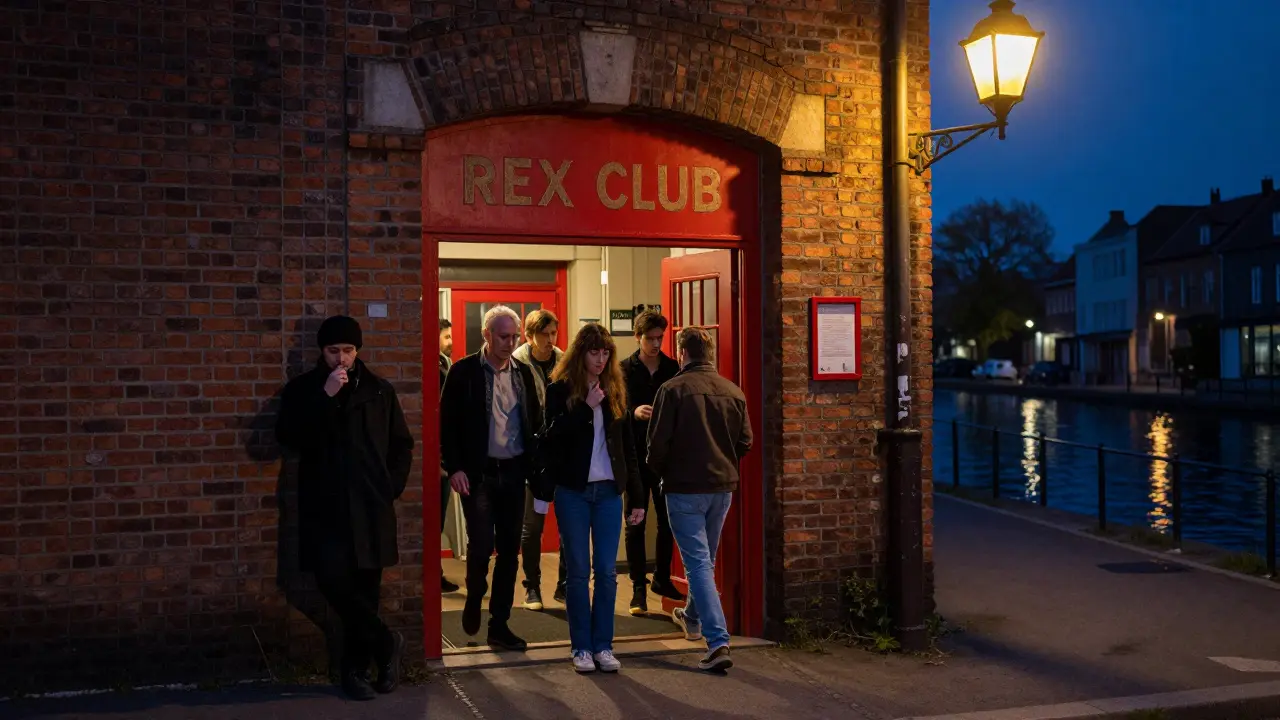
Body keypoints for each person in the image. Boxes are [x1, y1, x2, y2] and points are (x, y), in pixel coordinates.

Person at [275, 315, 414, 700]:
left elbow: (402, 445)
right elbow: (289, 437)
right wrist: (325, 397)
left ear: (358, 351)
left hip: (370, 506)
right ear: (321, 351)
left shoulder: (379, 391)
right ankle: (387, 645)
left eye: (349, 350)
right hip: (326, 506)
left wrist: (390, 487)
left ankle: (357, 670)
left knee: (366, 592)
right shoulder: (305, 389)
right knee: (332, 581)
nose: (342, 359)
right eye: (334, 351)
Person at [534, 323, 645, 674]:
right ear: (580, 355)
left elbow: (629, 449)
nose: (600, 359)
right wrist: (584, 407)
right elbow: (549, 439)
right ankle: (581, 646)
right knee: (579, 572)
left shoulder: (615, 389)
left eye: (605, 353)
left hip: (610, 491)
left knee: (608, 573)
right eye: (593, 352)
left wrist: (637, 498)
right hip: (574, 491)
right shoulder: (560, 389)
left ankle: (603, 646)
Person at [646, 327, 752, 673]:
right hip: (722, 488)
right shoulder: (733, 391)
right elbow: (745, 443)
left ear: (681, 352)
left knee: (698, 563)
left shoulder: (671, 390)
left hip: (684, 487)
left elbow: (656, 446)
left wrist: (662, 471)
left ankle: (718, 641)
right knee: (705, 559)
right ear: (711, 354)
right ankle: (691, 617)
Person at [440, 305, 543, 652]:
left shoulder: (522, 374)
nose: (509, 342)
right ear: (486, 335)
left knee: (509, 552)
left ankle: (499, 624)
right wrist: (453, 467)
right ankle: (474, 599)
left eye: (514, 337)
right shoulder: (464, 372)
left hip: (513, 471)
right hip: (479, 473)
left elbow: (534, 421)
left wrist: (535, 466)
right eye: (503, 336)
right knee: (482, 546)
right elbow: (446, 424)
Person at [619, 311, 683, 615]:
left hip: (664, 457)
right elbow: (615, 408)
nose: (656, 343)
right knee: (635, 523)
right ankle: (637, 589)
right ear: (638, 337)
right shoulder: (624, 369)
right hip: (634, 457)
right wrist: (634, 412)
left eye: (660, 338)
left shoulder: (672, 367)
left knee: (668, 521)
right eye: (650, 338)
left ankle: (660, 577)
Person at [512, 309, 568, 611]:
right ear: (530, 336)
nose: (549, 340)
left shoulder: (564, 361)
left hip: (562, 454)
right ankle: (531, 585)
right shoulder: (518, 363)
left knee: (569, 524)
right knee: (532, 527)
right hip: (532, 456)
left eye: (553, 333)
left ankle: (564, 584)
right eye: (543, 334)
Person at [438, 318, 459, 593]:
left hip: (443, 456)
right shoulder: (431, 365)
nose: (450, 341)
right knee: (432, 519)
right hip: (434, 456)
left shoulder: (445, 364)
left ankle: (436, 572)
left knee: (439, 519)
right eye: (446, 336)